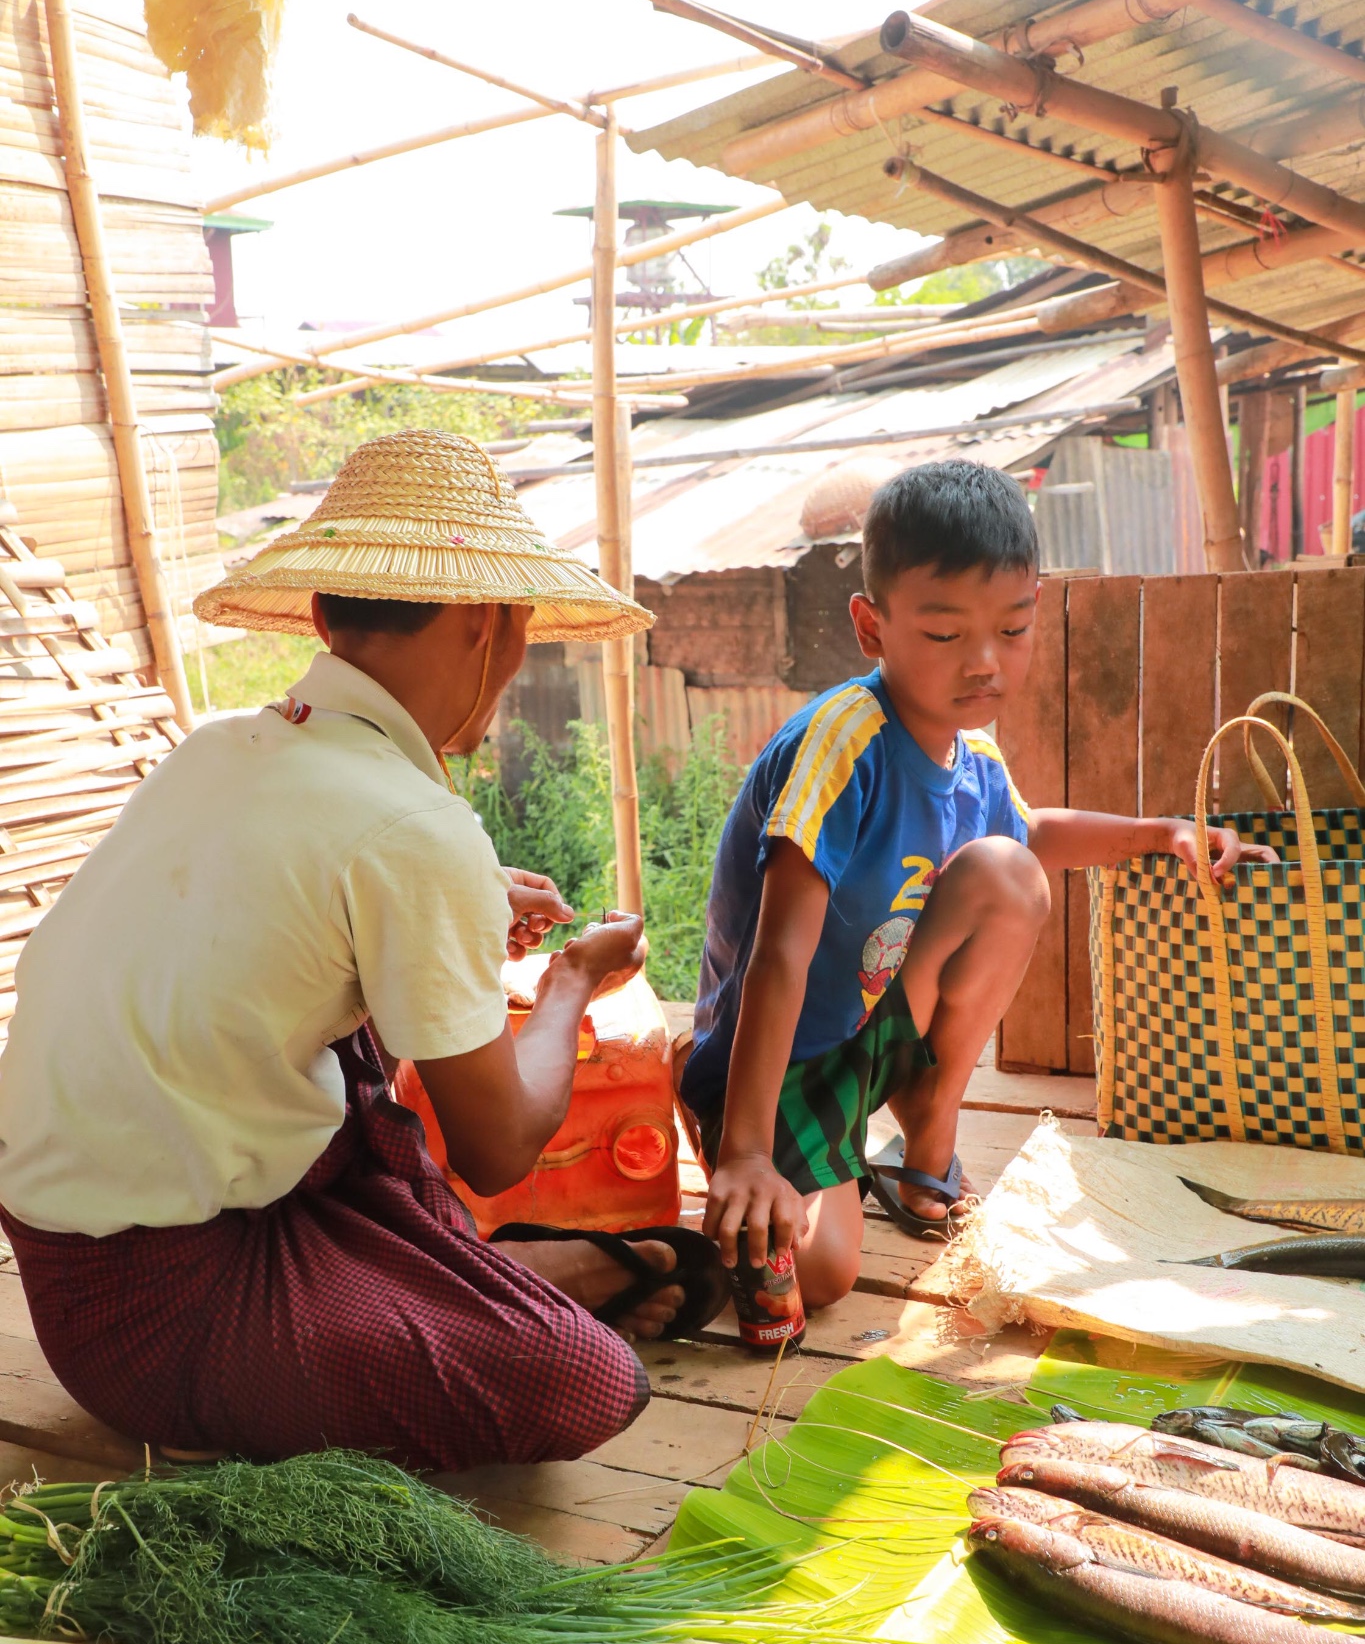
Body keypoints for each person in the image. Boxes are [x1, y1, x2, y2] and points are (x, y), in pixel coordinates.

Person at [0, 430, 726, 1474]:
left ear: (326, 618)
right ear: (492, 629)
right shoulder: (412, 829)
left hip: (72, 1248)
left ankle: (476, 1276)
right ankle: (522, 1277)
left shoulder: (220, 748)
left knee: (362, 1045)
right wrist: (572, 981)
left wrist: (467, 900)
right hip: (157, 1318)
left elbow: (276, 906)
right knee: (589, 1382)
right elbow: (497, 1150)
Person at [682, 459, 1272, 1310]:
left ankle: (928, 1125)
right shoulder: (842, 743)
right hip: (771, 1065)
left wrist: (1160, 834)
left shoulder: (973, 760)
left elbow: (1029, 837)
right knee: (818, 1276)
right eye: (945, 633)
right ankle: (707, 1106)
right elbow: (779, 953)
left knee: (1007, 870)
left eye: (1014, 628)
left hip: (873, 1039)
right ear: (870, 626)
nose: (985, 662)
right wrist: (741, 1148)